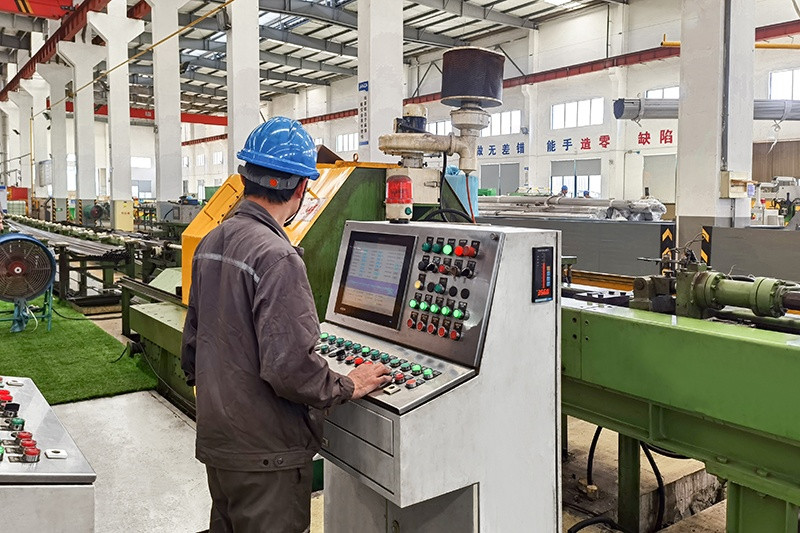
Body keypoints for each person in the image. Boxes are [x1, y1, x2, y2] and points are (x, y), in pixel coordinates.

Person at [181, 117, 392, 533]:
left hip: (219, 443)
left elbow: (192, 346)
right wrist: (347, 384)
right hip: (267, 457)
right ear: (300, 189)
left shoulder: (211, 241)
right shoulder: (278, 257)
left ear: (245, 178)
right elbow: (291, 369)